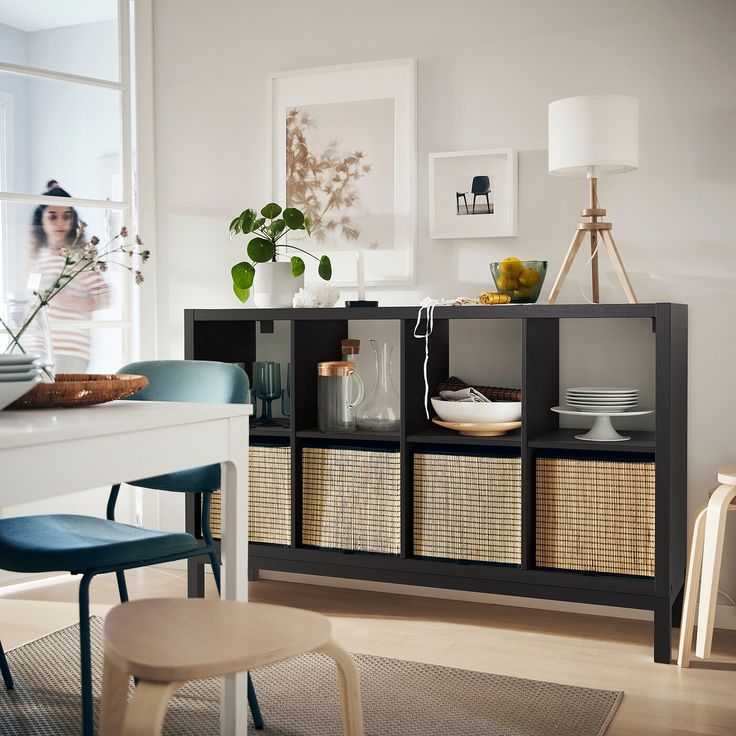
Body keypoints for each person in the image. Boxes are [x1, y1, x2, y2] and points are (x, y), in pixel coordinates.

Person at [30, 180, 110, 374]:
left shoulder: (80, 256)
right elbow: (32, 298)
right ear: (42, 219)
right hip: (39, 346)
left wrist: (66, 301)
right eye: (52, 216)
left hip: (71, 348)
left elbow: (104, 298)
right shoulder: (40, 256)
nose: (60, 223)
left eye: (66, 216)